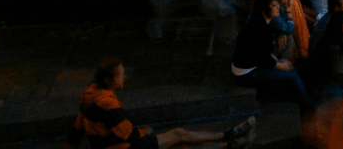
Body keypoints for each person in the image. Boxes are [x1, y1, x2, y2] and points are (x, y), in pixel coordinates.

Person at [71, 58, 254, 147]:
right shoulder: (107, 104)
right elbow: (129, 135)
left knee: (178, 141)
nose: (125, 77)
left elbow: (77, 128)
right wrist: (146, 131)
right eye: (121, 75)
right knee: (179, 135)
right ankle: (229, 135)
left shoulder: (89, 95)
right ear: (109, 81)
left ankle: (228, 139)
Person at [230, 0, 316, 111]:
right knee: (291, 73)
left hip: (251, 66)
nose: (278, 8)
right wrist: (281, 65)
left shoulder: (259, 22)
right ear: (264, 10)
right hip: (246, 75)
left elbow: (262, 53)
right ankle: (309, 106)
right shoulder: (262, 29)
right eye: (274, 6)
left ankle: (300, 97)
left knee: (289, 68)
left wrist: (279, 62)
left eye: (277, 5)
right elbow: (263, 59)